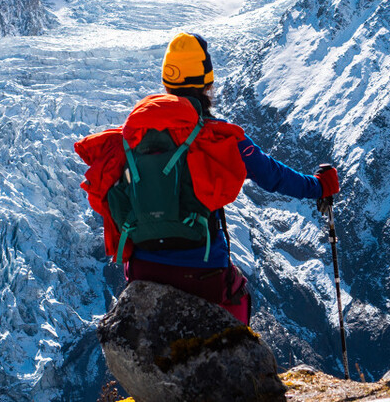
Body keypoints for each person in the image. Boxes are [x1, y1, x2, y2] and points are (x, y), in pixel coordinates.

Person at [75, 32, 340, 325]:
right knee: (239, 296)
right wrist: (318, 185)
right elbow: (272, 176)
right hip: (204, 272)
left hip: (141, 269)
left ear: (166, 81)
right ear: (207, 83)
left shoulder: (133, 134)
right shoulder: (218, 135)